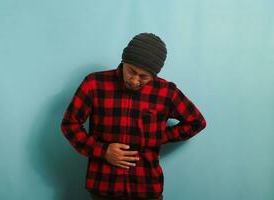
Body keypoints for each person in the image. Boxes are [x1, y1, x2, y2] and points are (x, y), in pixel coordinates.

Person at [61, 33, 207, 200]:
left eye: (144, 77)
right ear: (124, 61)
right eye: (131, 71)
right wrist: (103, 151)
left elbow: (196, 122)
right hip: (104, 186)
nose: (135, 80)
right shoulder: (94, 83)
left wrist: (158, 136)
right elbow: (69, 124)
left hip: (146, 187)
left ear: (154, 75)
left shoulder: (166, 92)